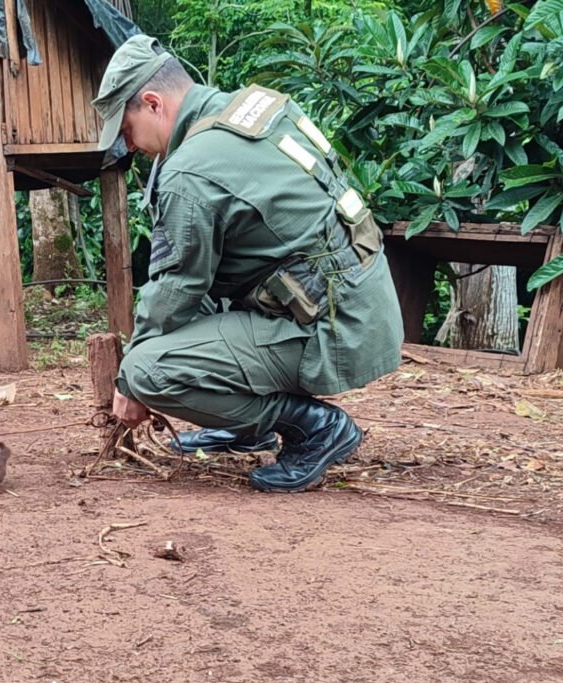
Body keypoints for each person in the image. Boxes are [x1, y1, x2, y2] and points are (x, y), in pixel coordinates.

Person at [92, 34, 404, 493]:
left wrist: (129, 383)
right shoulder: (251, 108)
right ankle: (244, 426)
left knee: (149, 369)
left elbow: (175, 287)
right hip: (356, 298)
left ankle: (312, 427)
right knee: (188, 313)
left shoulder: (189, 171)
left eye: (126, 130)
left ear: (153, 103)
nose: (129, 146)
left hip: (332, 328)